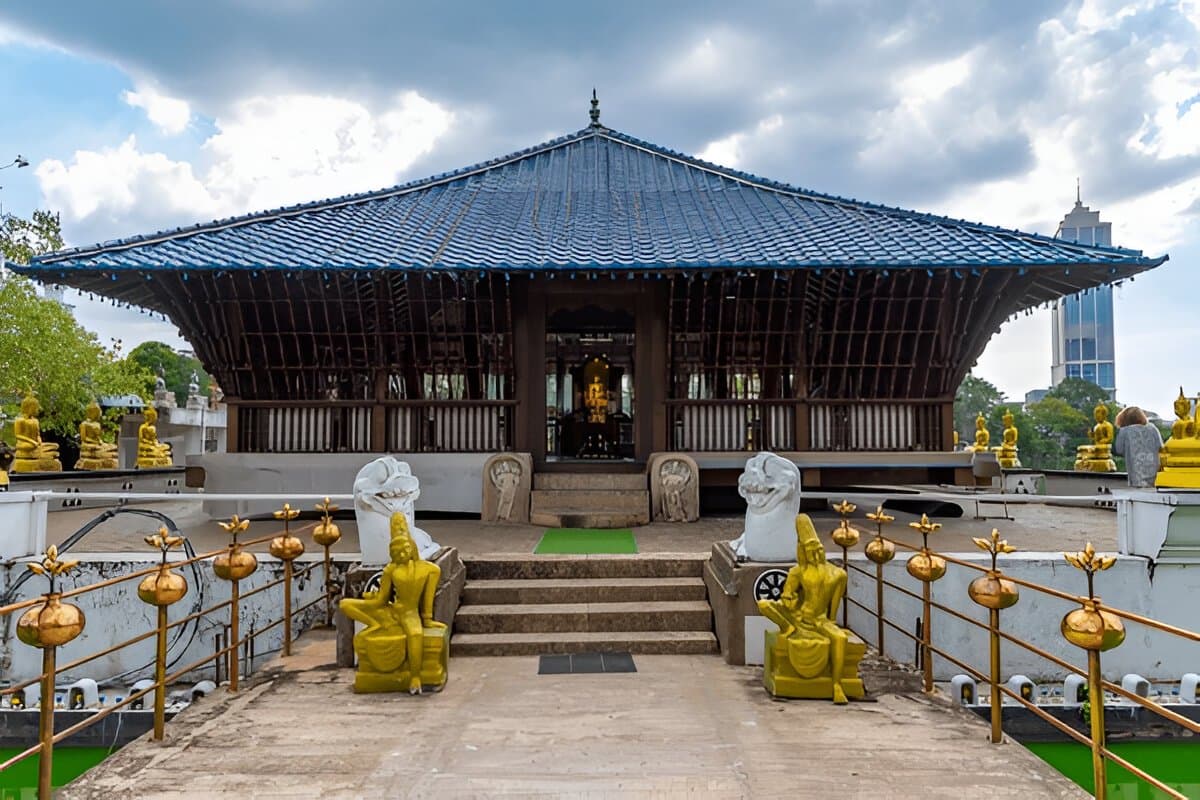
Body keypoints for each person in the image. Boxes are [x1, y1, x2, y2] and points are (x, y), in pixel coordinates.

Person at [1114, 406, 1163, 488]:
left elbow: (1119, 450)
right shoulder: (1153, 428)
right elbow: (1160, 446)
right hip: (1155, 471)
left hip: (1136, 473)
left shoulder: (1125, 431)